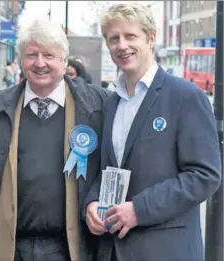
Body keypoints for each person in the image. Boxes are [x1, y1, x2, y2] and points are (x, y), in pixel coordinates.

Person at [84, 3, 221, 261]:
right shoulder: (110, 104)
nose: (121, 45)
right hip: (113, 250)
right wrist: (91, 204)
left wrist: (140, 209)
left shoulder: (186, 97)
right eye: (114, 38)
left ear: (151, 38)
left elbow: (205, 175)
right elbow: (106, 170)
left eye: (130, 36)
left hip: (166, 250)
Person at [0, 18, 109, 261]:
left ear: (64, 59)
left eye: (48, 55)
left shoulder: (98, 106)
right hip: (11, 247)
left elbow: (112, 166)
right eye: (31, 55)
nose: (39, 63)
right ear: (20, 60)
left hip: (72, 248)